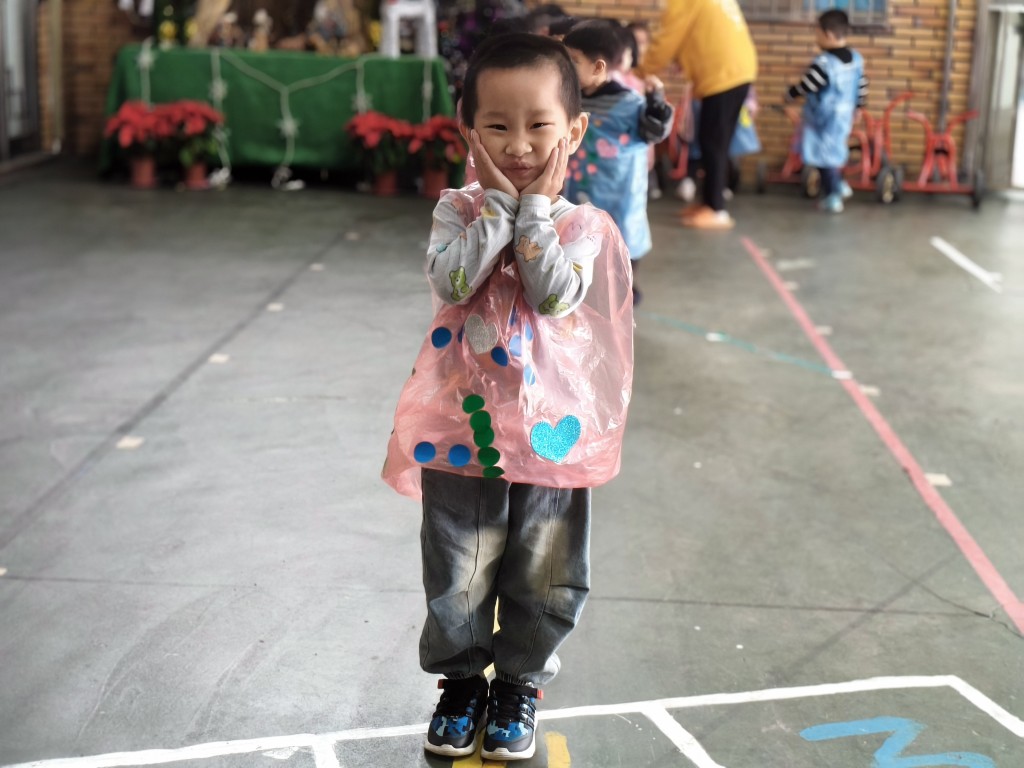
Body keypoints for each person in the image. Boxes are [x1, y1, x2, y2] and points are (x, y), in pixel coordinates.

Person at [381, 32, 634, 761]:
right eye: (496, 125)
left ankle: (520, 682)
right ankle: (462, 682)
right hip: (463, 430)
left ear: (573, 131)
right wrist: (496, 205)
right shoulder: (457, 211)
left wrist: (535, 213)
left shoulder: (583, 227)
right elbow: (455, 281)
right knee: (456, 567)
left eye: (538, 125)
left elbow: (553, 295)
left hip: (553, 432)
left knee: (546, 567)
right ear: (469, 132)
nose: (519, 145)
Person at [562, 20, 674, 305]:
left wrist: (656, 103)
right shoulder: (571, 99)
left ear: (598, 67)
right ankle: (583, 289)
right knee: (579, 236)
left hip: (620, 192)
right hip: (580, 188)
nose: (565, 67)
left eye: (573, 61)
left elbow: (655, 131)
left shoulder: (629, 103)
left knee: (623, 239)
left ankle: (625, 288)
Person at [639, 0, 757, 230]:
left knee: (714, 143)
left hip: (724, 75)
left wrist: (638, 71)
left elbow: (666, 40)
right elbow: (698, 33)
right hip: (734, 71)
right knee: (710, 142)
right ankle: (708, 203)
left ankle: (717, 210)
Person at [785, 9, 867, 213]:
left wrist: (791, 94)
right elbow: (861, 85)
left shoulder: (824, 63)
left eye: (817, 33)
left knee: (822, 156)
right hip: (844, 116)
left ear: (828, 34)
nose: (816, 38)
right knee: (835, 152)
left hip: (822, 119)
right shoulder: (856, 59)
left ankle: (833, 195)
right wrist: (859, 107)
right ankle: (839, 184)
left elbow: (807, 85)